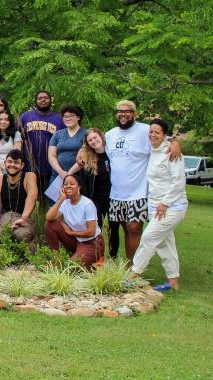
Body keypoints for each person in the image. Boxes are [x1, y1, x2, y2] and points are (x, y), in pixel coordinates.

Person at [105, 100, 181, 263]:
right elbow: (95, 148)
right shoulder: (110, 135)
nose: (123, 114)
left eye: (127, 111)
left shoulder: (145, 130)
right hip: (117, 193)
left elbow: (164, 137)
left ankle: (134, 268)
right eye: (120, 111)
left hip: (138, 192)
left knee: (134, 228)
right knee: (126, 229)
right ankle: (128, 265)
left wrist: (175, 143)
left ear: (134, 114)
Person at [130, 119, 188, 291]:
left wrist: (165, 203)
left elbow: (178, 183)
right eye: (151, 132)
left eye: (157, 132)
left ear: (164, 135)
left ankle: (133, 274)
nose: (153, 135)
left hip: (172, 206)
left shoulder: (171, 153)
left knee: (148, 237)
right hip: (154, 205)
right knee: (164, 244)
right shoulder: (151, 149)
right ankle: (173, 282)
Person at [68, 128, 117, 258]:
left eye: (95, 138)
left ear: (101, 136)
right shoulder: (87, 157)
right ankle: (97, 258)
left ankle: (113, 258)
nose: (94, 141)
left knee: (113, 229)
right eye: (90, 140)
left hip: (114, 198)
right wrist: (67, 176)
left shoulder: (112, 153)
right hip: (96, 200)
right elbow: (73, 170)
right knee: (96, 229)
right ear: (87, 143)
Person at [45, 174, 104, 268]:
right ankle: (56, 259)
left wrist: (71, 233)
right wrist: (61, 199)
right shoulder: (65, 203)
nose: (68, 186)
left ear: (79, 187)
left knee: (70, 267)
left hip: (91, 243)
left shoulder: (87, 204)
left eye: (72, 184)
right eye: (65, 184)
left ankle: (93, 261)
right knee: (50, 224)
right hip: (77, 241)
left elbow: (91, 232)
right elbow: (49, 217)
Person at [0, 149, 38, 243]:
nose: (12, 165)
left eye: (16, 163)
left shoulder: (29, 176)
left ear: (22, 165)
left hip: (23, 219)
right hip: (4, 218)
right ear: (5, 163)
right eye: (9, 162)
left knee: (20, 235)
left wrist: (23, 219)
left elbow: (31, 198)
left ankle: (29, 249)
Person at [18, 90, 64, 196]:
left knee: (48, 196)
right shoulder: (25, 117)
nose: (43, 100)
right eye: (40, 98)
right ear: (35, 102)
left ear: (50, 101)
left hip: (50, 165)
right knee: (29, 195)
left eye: (46, 98)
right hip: (29, 164)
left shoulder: (59, 119)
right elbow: (16, 136)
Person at [48, 104, 86, 184]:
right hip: (57, 176)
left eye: (71, 116)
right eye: (65, 116)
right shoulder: (57, 134)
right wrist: (61, 172)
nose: (68, 118)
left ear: (78, 117)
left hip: (78, 177)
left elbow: (85, 157)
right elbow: (51, 156)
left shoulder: (86, 134)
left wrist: (68, 174)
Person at [0, 111, 22, 179]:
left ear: (10, 122)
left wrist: (6, 167)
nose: (3, 122)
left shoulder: (16, 134)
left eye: (6, 119)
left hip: (11, 169)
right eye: (0, 119)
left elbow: (16, 155)